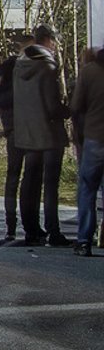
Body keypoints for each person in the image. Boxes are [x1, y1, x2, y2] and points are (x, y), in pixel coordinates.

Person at [12, 25, 73, 246]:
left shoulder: (20, 63)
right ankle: (53, 231)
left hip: (28, 132)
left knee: (29, 181)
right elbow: (52, 106)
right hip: (48, 134)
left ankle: (31, 229)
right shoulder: (47, 66)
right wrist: (69, 109)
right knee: (50, 185)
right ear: (47, 40)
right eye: (55, 41)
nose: (56, 46)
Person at [70, 46, 104, 257]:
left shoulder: (90, 71)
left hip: (95, 138)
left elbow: (76, 106)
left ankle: (84, 240)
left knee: (87, 189)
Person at [0, 49, 23, 240]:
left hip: (13, 128)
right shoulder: (9, 69)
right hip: (18, 129)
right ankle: (14, 223)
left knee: (14, 177)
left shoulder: (3, 70)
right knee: (20, 177)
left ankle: (12, 223)